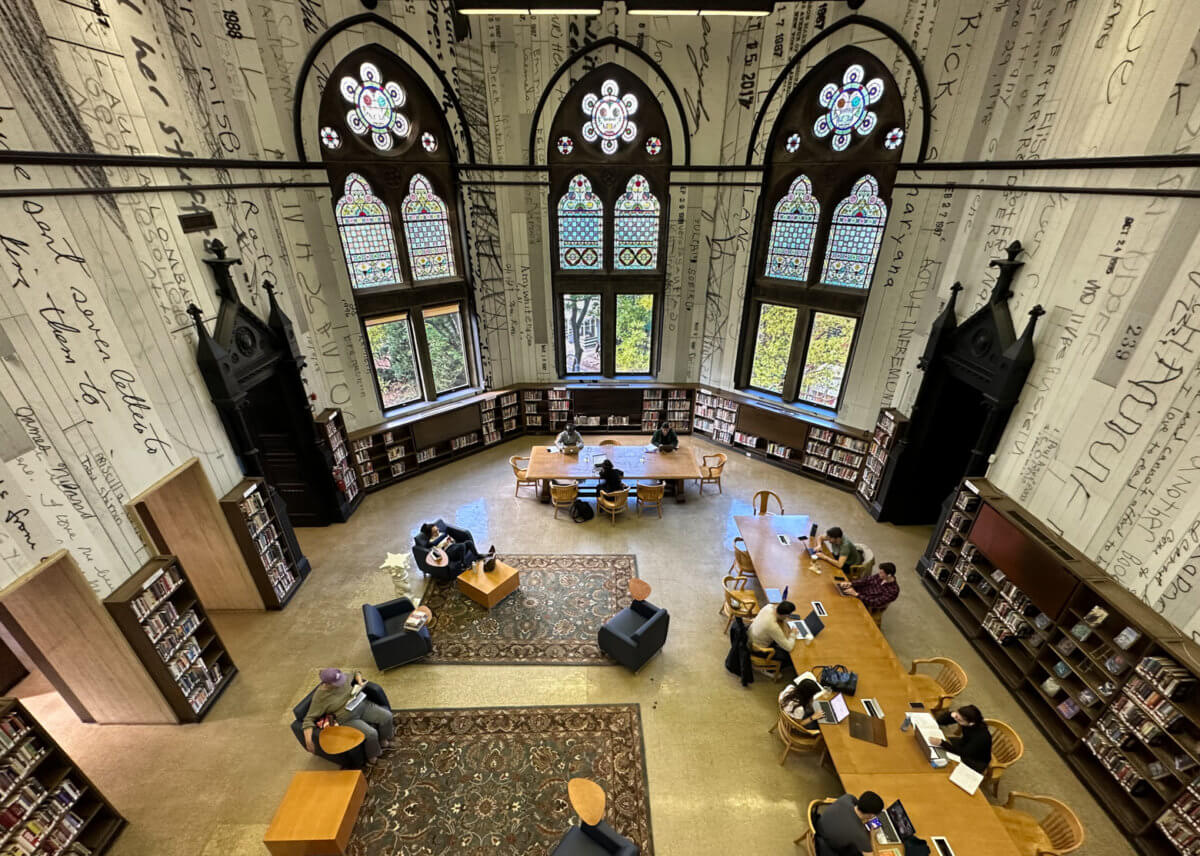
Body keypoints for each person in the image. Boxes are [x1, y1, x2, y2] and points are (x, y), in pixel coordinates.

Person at [301, 668, 395, 763]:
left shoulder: (342, 677)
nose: (342, 683)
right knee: (371, 733)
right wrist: (308, 741)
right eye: (338, 683)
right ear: (328, 684)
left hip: (361, 705)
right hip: (347, 718)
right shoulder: (320, 697)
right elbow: (308, 719)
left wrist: (359, 682)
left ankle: (384, 741)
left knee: (387, 716)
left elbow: (356, 672)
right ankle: (373, 756)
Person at [816, 790, 884, 855]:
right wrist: (872, 834)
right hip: (827, 847)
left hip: (820, 826)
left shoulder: (847, 798)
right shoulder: (860, 834)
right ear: (871, 815)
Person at [929, 704, 992, 773]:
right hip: (964, 744)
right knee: (939, 750)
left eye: (959, 719)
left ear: (971, 723)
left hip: (975, 760)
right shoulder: (966, 720)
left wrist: (942, 743)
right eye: (956, 717)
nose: (956, 719)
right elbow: (940, 721)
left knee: (946, 768)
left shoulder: (980, 737)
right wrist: (951, 714)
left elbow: (963, 753)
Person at [748, 600, 799, 669]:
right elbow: (789, 647)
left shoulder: (768, 607)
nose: (787, 617)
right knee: (789, 657)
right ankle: (769, 670)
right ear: (785, 615)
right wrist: (793, 634)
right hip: (757, 649)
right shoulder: (773, 626)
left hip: (749, 636)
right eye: (788, 615)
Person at [419, 521, 484, 570]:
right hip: (448, 552)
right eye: (435, 532)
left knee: (468, 542)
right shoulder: (431, 541)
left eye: (437, 530)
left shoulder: (441, 534)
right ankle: (463, 564)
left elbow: (451, 539)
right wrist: (444, 546)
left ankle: (477, 556)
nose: (438, 532)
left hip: (454, 546)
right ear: (431, 534)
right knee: (462, 545)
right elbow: (437, 553)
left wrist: (451, 540)